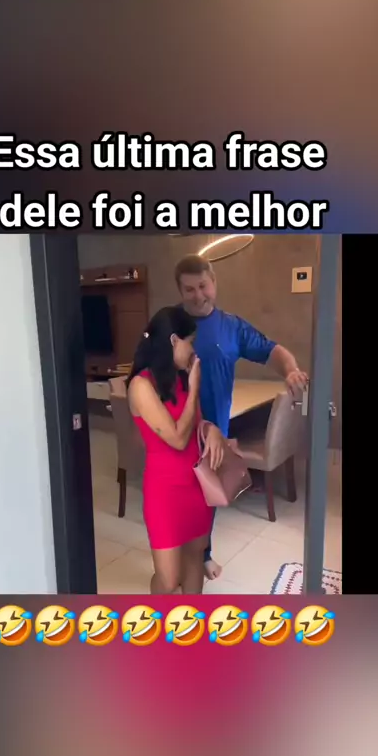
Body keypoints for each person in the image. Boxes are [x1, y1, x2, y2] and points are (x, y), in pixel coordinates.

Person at [175, 254, 308, 581]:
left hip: (214, 435)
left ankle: (202, 554)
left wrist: (290, 370)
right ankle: (175, 559)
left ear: (214, 283)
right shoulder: (167, 325)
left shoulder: (232, 327)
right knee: (177, 501)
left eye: (203, 286)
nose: (198, 295)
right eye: (189, 289)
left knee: (207, 499)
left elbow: (273, 350)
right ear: (180, 291)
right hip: (175, 430)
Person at [127, 305, 227, 594]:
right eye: (190, 342)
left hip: (195, 484)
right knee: (169, 579)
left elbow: (195, 423)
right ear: (173, 340)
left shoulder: (180, 377)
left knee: (194, 558)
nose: (193, 350)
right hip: (164, 490)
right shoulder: (141, 386)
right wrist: (195, 388)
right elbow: (177, 438)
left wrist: (211, 429)